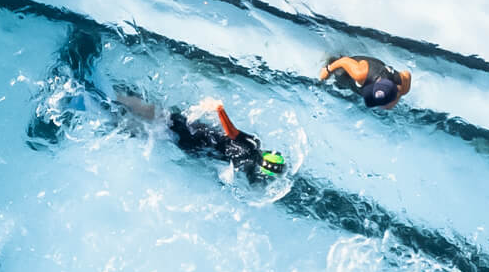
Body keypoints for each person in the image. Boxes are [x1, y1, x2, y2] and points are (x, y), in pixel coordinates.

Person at [115, 92, 286, 182]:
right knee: (161, 132)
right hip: (195, 149)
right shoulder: (247, 169)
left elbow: (231, 133)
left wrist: (219, 109)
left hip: (198, 134)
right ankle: (119, 125)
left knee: (162, 116)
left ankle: (119, 99)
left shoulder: (252, 146)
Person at [320, 53, 412, 109]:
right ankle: (330, 59)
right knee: (338, 75)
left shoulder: (404, 85)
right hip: (357, 67)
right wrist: (328, 70)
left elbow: (407, 73)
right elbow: (344, 61)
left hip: (376, 67)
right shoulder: (361, 75)